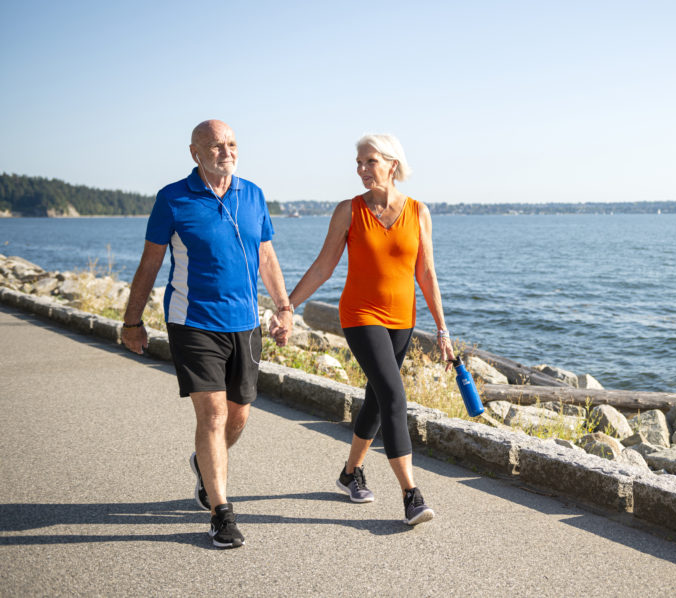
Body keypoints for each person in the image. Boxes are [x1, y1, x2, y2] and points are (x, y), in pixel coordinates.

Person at [121, 119, 293, 549]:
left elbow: (266, 255)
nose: (226, 151)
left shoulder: (251, 194)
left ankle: (204, 463)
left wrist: (284, 308)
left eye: (232, 144)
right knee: (213, 415)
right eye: (216, 145)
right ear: (195, 152)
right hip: (193, 321)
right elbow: (150, 264)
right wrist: (131, 321)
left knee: (239, 415)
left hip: (245, 323)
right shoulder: (173, 199)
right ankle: (221, 513)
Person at [284, 133, 454, 525]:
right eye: (358, 163)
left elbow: (426, 274)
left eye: (369, 162)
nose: (361, 170)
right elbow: (325, 266)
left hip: (402, 319)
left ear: (392, 164)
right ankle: (411, 494)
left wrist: (442, 330)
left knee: (377, 399)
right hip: (360, 315)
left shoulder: (418, 212)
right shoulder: (349, 211)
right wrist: (288, 305)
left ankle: (349, 474)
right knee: (394, 394)